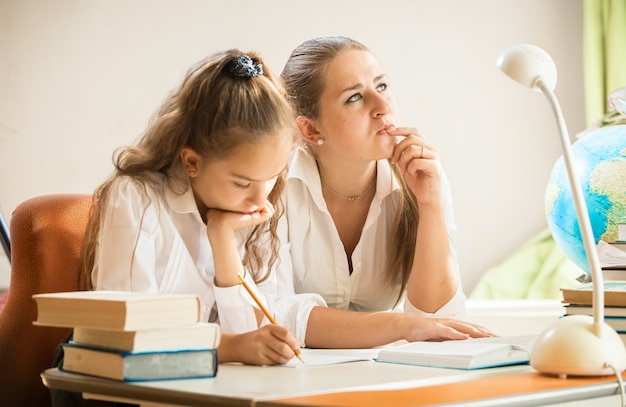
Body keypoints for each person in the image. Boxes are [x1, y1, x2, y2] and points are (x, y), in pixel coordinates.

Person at [54, 49, 301, 380]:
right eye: (243, 183)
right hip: (109, 381)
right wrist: (232, 347)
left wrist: (222, 239)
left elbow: (252, 338)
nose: (260, 198)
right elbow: (127, 333)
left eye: (272, 177)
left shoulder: (250, 211)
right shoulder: (136, 197)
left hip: (199, 382)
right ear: (192, 163)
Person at [272, 36, 492, 348]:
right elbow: (274, 314)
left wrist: (430, 202)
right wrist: (399, 325)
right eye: (354, 98)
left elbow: (437, 318)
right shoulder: (272, 188)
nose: (383, 106)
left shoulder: (422, 176)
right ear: (310, 129)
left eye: (382, 86)